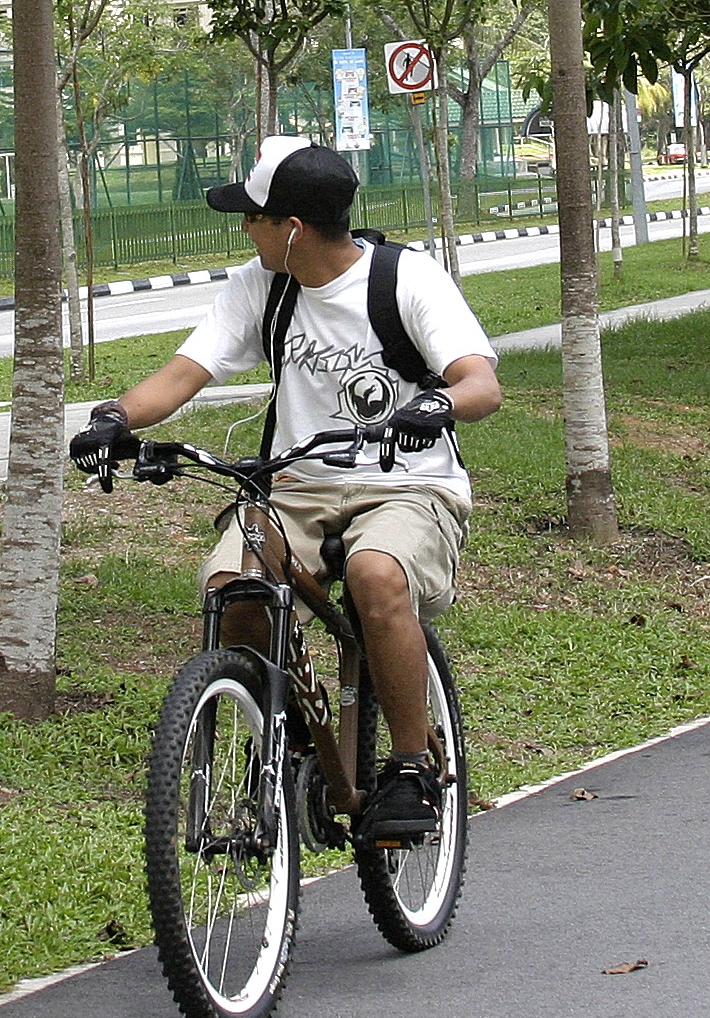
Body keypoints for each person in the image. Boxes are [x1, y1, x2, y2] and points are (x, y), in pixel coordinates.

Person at [71, 136, 502, 840]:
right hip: (296, 485)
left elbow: (480, 381)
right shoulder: (258, 285)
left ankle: (407, 768)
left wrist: (437, 405)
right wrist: (115, 417)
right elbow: (184, 374)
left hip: (408, 485)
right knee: (234, 597)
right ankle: (301, 741)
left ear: (292, 227)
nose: (245, 228)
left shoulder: (406, 279)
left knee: (375, 573)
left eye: (254, 216)